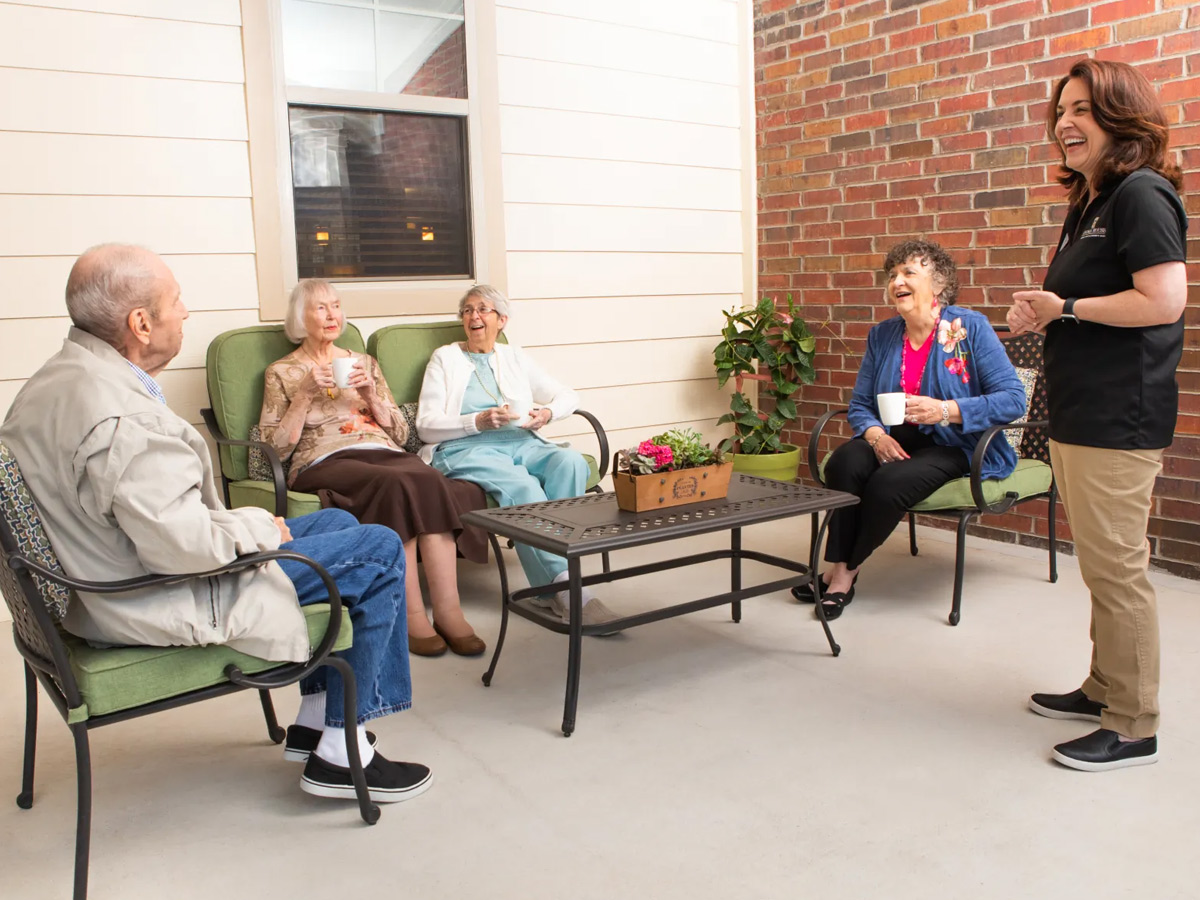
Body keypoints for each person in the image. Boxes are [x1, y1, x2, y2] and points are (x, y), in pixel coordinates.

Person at [0, 244, 431, 803]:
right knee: (378, 549)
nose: (186, 312)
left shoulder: (54, 381)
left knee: (331, 521)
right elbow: (184, 550)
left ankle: (314, 719)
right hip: (153, 594)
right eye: (177, 301)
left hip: (103, 571)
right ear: (141, 323)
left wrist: (253, 523)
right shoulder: (125, 421)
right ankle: (340, 752)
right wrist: (260, 529)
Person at [1008, 59, 1187, 772]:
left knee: (1117, 571)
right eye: (1061, 110)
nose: (1065, 122)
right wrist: (1047, 312)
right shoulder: (1091, 201)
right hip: (1081, 412)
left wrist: (1068, 307)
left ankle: (1134, 723)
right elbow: (1082, 305)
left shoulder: (1141, 193)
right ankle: (1103, 687)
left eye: (1083, 108)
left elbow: (1163, 300)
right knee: (1100, 565)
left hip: (1119, 416)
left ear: (1122, 117)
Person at [794, 239, 1026, 620]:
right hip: (895, 437)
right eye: (892, 275)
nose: (896, 281)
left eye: (908, 273)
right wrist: (875, 436)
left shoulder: (970, 328)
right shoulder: (883, 335)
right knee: (844, 462)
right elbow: (860, 405)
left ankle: (842, 574)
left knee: (887, 484)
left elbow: (1013, 399)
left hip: (955, 444)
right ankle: (839, 569)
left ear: (939, 283)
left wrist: (946, 410)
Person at [260, 279, 488, 658]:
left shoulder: (364, 364)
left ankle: (449, 612)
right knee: (396, 481)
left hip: (383, 452)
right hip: (325, 461)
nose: (332, 315)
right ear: (300, 317)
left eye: (336, 305)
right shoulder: (281, 372)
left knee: (427, 477)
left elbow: (401, 434)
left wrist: (370, 396)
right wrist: (303, 395)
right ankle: (412, 616)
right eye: (321, 307)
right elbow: (275, 449)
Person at [416, 285, 619, 629]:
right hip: (466, 446)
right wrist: (476, 421)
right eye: (468, 310)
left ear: (502, 320)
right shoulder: (445, 358)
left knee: (569, 462)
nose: (474, 316)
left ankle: (549, 588)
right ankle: (567, 587)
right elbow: (425, 426)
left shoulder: (513, 356)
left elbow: (567, 395)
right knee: (523, 487)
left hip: (523, 440)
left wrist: (547, 414)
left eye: (483, 309)